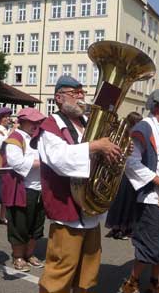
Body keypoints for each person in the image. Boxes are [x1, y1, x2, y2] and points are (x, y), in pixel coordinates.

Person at [31, 75, 122, 293]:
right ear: (59, 98)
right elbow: (59, 159)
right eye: (75, 93)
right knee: (59, 274)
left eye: (82, 92)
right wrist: (94, 146)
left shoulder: (87, 124)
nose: (81, 97)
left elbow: (95, 155)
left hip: (89, 210)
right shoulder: (49, 126)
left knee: (87, 274)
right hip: (67, 212)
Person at [121, 88, 159, 293]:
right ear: (157, 107)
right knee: (149, 244)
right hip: (151, 197)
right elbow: (130, 162)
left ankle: (155, 280)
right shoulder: (143, 128)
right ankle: (132, 281)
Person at [2, 107, 46, 272]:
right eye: (33, 121)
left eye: (38, 121)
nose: (36, 124)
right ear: (23, 121)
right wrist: (44, 162)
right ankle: (18, 257)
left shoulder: (39, 137)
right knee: (19, 225)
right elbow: (17, 163)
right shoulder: (15, 137)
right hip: (22, 189)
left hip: (40, 188)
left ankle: (29, 254)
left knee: (36, 225)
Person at [105, 111, 143, 240]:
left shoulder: (122, 133)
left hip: (121, 171)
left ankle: (116, 227)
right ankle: (123, 228)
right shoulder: (132, 135)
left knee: (118, 200)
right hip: (127, 171)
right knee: (127, 201)